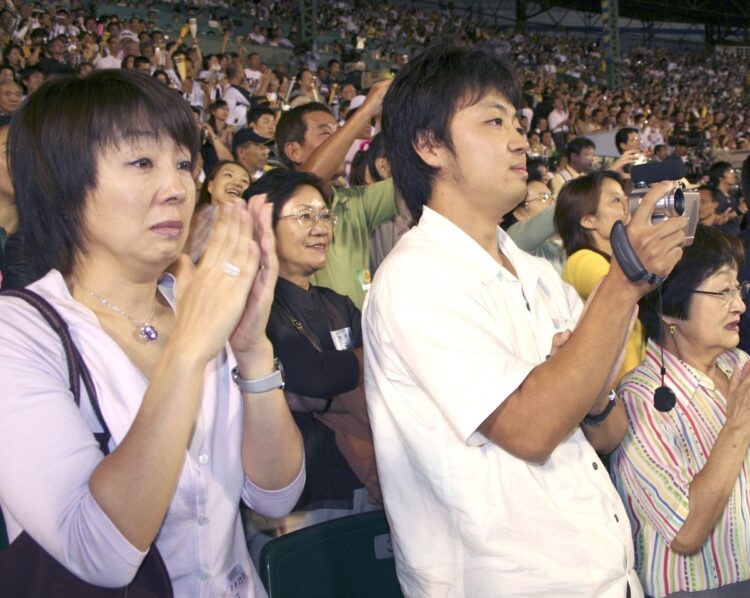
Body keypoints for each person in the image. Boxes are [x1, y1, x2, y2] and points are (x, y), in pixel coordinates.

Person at [364, 43, 686, 597]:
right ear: (429, 144)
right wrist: (624, 280)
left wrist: (585, 392)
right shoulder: (416, 279)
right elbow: (532, 430)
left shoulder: (537, 273)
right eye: (494, 120)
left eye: (518, 120)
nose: (520, 139)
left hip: (605, 574)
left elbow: (608, 432)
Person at [0, 70, 304, 595]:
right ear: (62, 180)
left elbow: (275, 496)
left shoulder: (194, 303)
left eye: (184, 164)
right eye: (142, 163)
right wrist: (188, 349)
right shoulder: (22, 332)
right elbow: (99, 552)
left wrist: (252, 349)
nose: (178, 188)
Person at [611, 225, 750, 598]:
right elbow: (685, 532)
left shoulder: (738, 364)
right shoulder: (640, 398)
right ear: (670, 307)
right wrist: (737, 426)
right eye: (722, 291)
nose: (739, 304)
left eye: (738, 289)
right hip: (702, 588)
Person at [245, 169, 379, 542]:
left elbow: (385, 369)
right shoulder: (254, 309)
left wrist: (320, 390)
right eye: (305, 216)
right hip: (294, 506)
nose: (321, 228)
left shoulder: (338, 304)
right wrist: (354, 367)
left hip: (360, 484)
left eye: (324, 216)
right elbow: (310, 375)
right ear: (263, 227)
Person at [275, 84, 397, 310]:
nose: (343, 141)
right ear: (294, 152)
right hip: (309, 341)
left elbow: (420, 179)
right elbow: (309, 181)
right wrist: (366, 110)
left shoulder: (357, 202)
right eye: (327, 135)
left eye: (340, 133)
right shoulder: (277, 202)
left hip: (362, 340)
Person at [555, 171, 646, 381]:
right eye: (616, 200)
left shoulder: (615, 261)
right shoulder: (582, 260)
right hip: (616, 393)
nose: (627, 206)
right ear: (588, 219)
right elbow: (631, 288)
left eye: (625, 198)